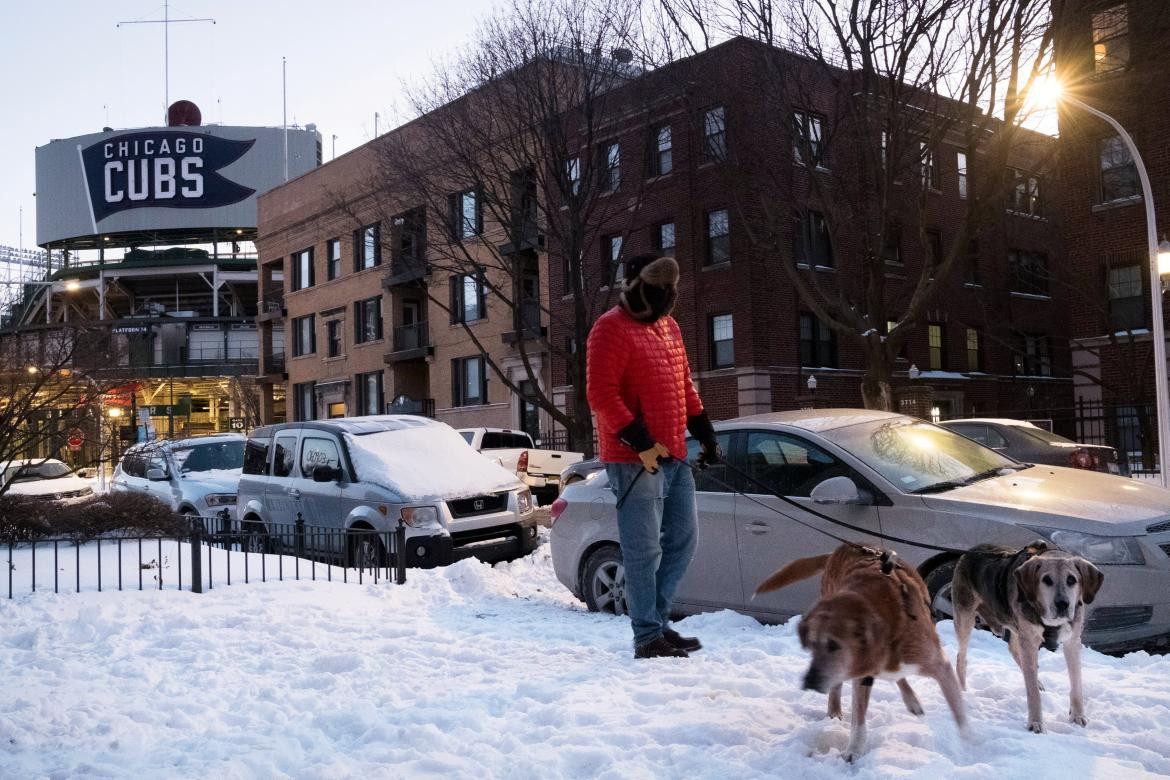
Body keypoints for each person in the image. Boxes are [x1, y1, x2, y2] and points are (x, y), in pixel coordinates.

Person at [586, 253, 720, 659]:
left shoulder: (670, 327)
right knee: (643, 550)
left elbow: (683, 384)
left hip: (674, 451)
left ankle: (658, 622)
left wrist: (704, 430)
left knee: (683, 539)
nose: (664, 300)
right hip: (632, 459)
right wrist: (640, 440)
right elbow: (601, 395)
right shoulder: (609, 329)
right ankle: (646, 635)